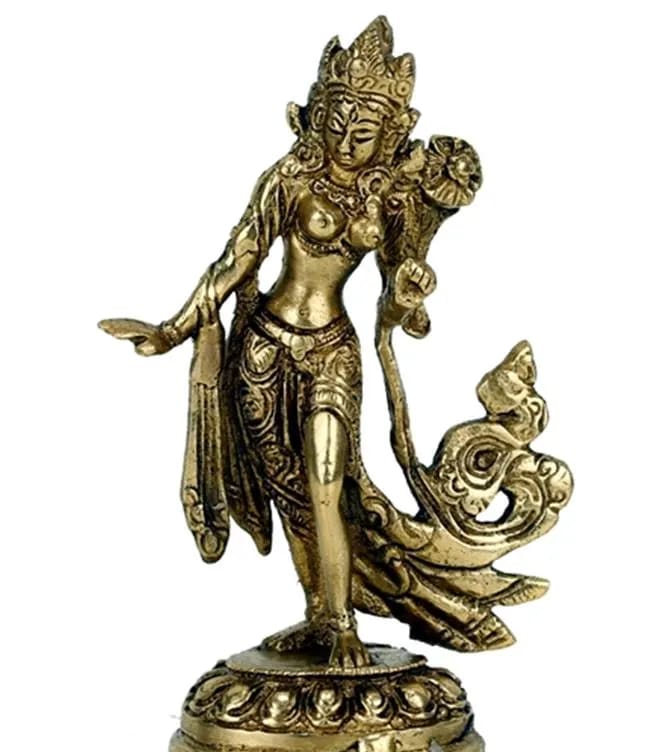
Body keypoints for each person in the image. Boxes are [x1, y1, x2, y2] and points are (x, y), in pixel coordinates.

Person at [101, 17, 487, 667]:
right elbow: (238, 257)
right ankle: (318, 615)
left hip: (333, 350)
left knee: (327, 481)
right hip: (264, 350)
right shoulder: (290, 177)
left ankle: (343, 625)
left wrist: (408, 296)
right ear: (316, 117)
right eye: (336, 124)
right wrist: (174, 327)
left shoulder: (389, 196)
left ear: (389, 135)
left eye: (363, 133)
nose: (346, 142)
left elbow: (399, 288)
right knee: (293, 494)